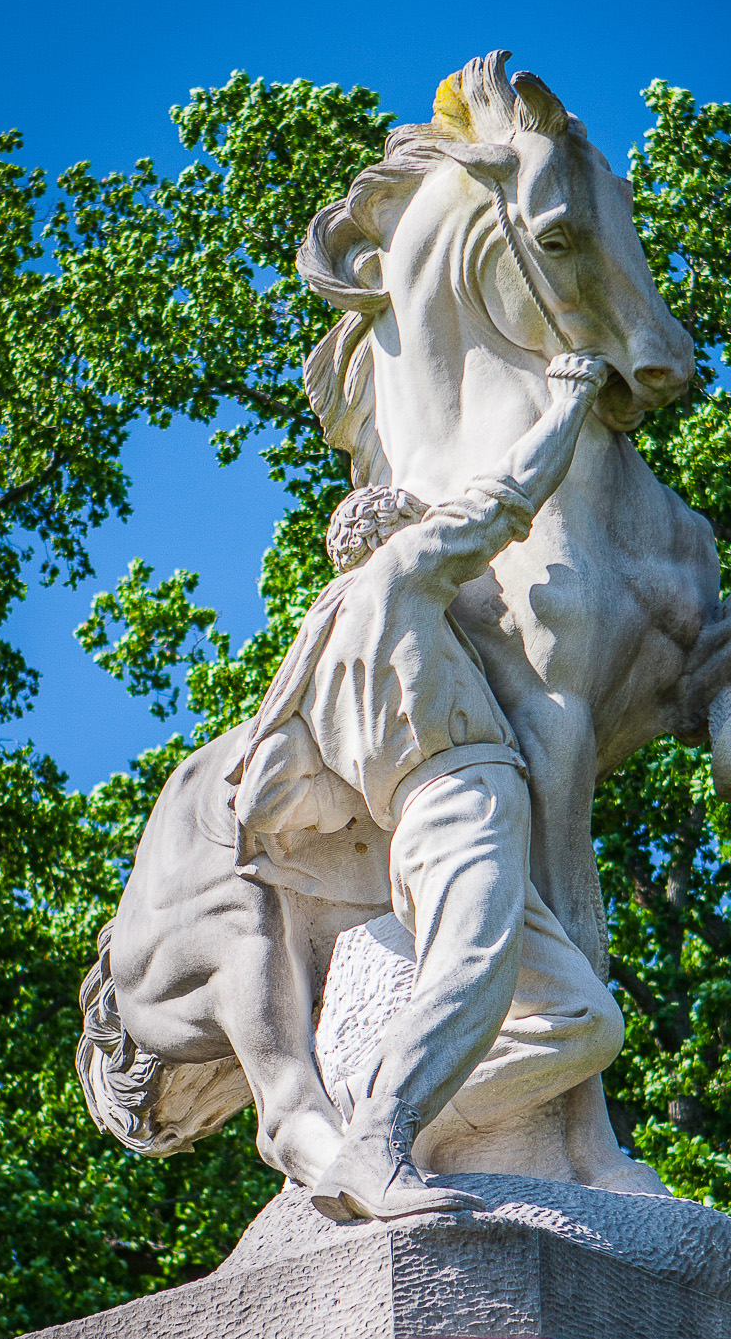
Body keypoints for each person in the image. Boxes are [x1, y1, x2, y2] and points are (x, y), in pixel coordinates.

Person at [232, 353, 624, 1223]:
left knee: (584, 1020)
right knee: (472, 973)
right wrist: (566, 401)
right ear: (395, 535)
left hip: (416, 823)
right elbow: (506, 499)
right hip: (460, 796)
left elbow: (282, 798)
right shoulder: (399, 572)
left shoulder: (312, 658)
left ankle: (397, 1122)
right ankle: (378, 1144)